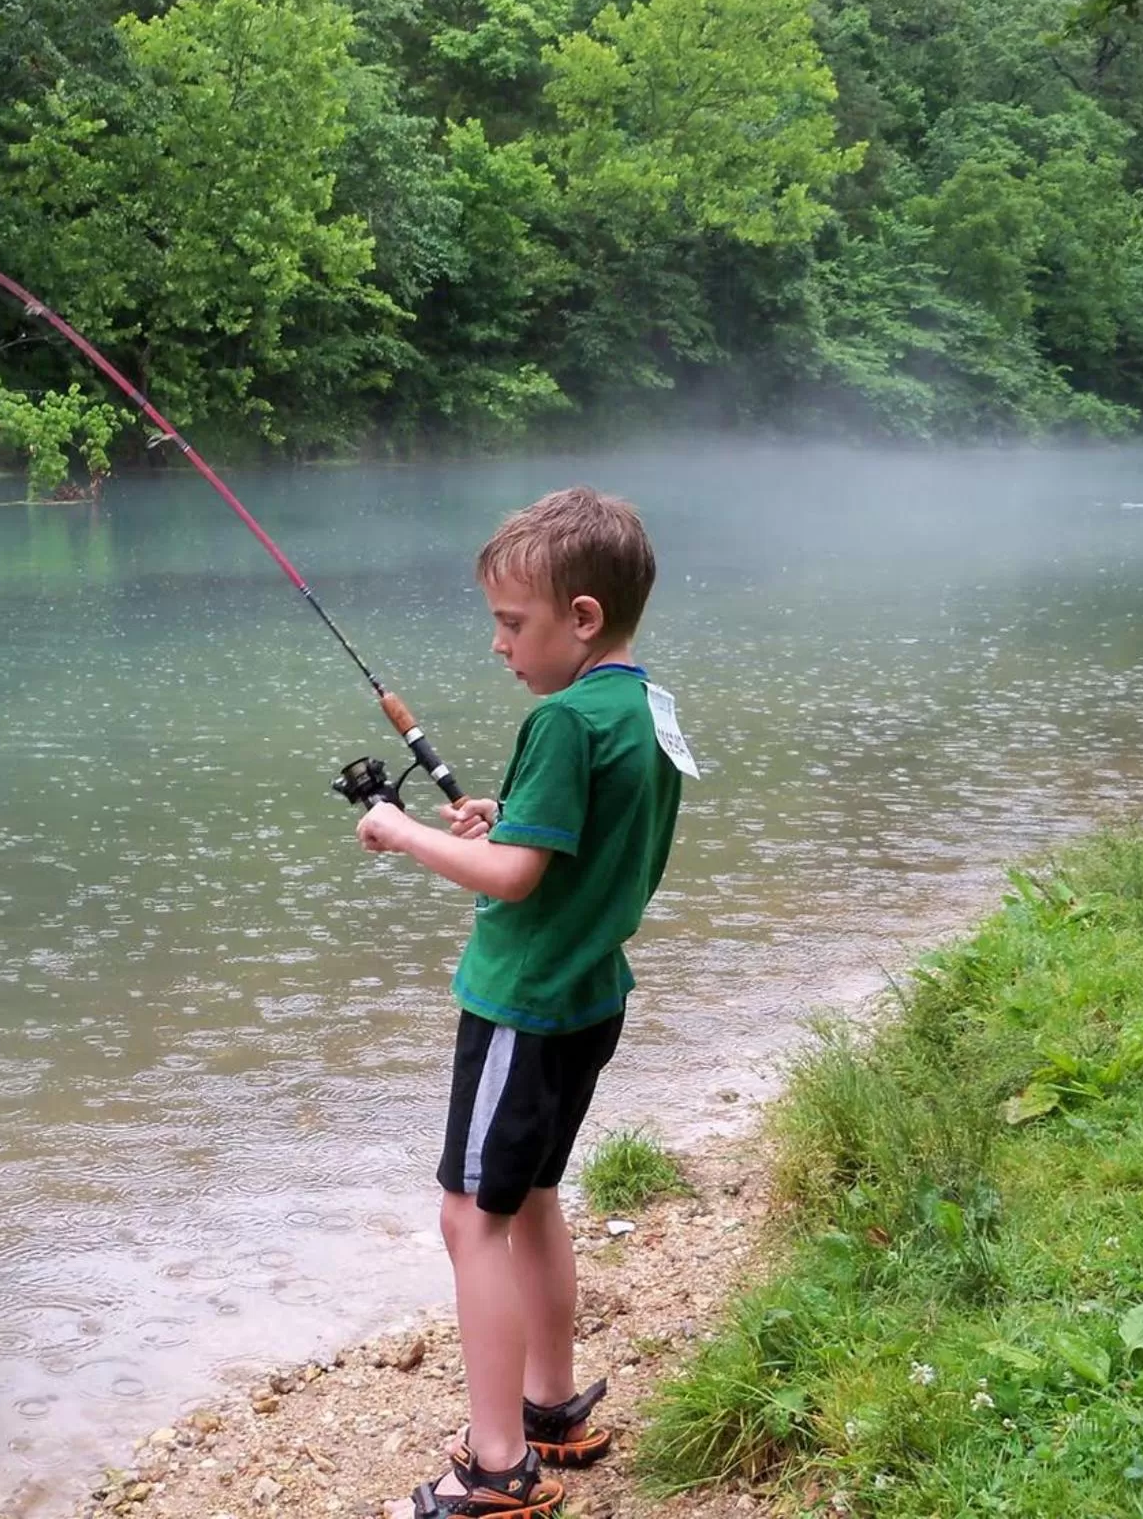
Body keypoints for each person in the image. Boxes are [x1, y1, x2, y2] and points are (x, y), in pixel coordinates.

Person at [354, 487, 685, 1519]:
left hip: (522, 1006)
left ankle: (495, 1466)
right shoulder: (637, 707)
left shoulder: (558, 719)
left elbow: (512, 880)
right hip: (588, 997)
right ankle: (548, 1407)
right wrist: (498, 818)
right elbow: (582, 832)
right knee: (530, 1197)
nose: (498, 646)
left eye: (511, 622)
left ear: (580, 618)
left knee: (469, 1218)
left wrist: (402, 835)